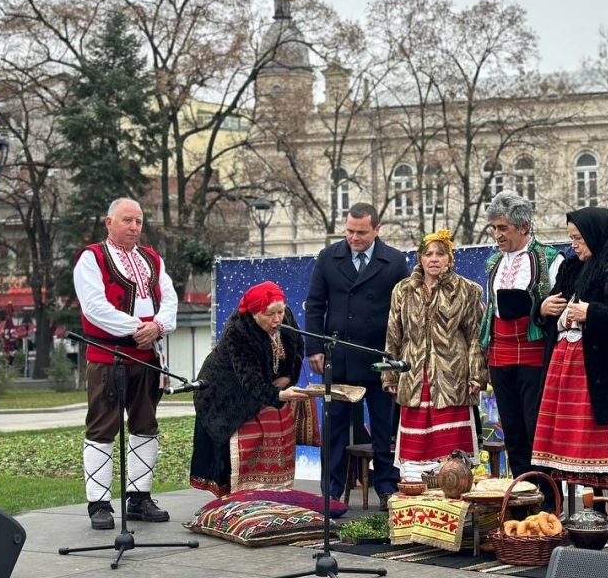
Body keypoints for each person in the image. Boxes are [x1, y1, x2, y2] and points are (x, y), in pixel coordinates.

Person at [533, 206, 608, 537]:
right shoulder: (573, 268)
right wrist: (544, 310)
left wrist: (593, 312)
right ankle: (596, 511)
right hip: (572, 370)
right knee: (582, 444)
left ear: (596, 234)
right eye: (571, 238)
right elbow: (555, 311)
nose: (574, 244)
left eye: (579, 238)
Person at [73, 197, 177, 530]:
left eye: (139, 221)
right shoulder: (92, 258)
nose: (134, 227)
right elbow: (94, 307)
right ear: (109, 222)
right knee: (102, 428)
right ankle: (99, 504)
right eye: (127, 220)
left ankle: (139, 498)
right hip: (109, 357)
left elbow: (169, 298)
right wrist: (138, 329)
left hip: (148, 357)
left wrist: (157, 327)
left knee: (146, 425)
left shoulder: (152, 258)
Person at [305, 203, 410, 511]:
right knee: (335, 430)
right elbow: (315, 305)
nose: (354, 237)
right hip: (339, 359)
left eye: (361, 232)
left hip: (379, 359)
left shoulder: (394, 261)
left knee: (384, 428)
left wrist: (398, 356)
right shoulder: (328, 257)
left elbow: (404, 312)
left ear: (377, 229)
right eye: (350, 231)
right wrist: (314, 347)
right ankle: (332, 492)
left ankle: (387, 488)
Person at [479, 190, 563, 506]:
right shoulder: (492, 262)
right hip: (500, 352)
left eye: (503, 228)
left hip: (533, 352)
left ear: (524, 226)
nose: (497, 234)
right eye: (494, 228)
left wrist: (541, 308)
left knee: (535, 429)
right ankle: (523, 498)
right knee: (512, 431)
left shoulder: (550, 259)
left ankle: (548, 499)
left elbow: (561, 305)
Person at [189, 281, 308, 497]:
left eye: (280, 312)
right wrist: (279, 395)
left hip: (263, 388)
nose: (278, 319)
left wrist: (289, 377)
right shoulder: (239, 330)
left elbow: (298, 345)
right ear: (254, 313)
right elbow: (250, 381)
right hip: (225, 393)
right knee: (228, 458)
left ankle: (267, 496)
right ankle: (233, 501)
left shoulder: (285, 317)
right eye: (270, 314)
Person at [383, 230, 488, 467]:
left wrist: (476, 375)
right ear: (420, 258)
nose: (434, 259)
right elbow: (393, 334)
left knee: (452, 456)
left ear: (449, 258)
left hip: (452, 378)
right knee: (415, 454)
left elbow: (476, 337)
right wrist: (390, 374)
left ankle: (452, 484)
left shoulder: (468, 290)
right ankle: (415, 486)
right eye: (428, 254)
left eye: (440, 254)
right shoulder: (403, 290)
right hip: (413, 376)